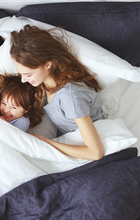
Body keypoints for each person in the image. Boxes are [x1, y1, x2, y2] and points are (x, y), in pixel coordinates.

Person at [10, 25, 105, 160]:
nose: (23, 80)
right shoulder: (46, 82)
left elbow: (95, 153)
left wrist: (46, 142)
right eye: (21, 74)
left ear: (48, 64)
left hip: (83, 150)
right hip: (67, 141)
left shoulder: (70, 97)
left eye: (28, 75)